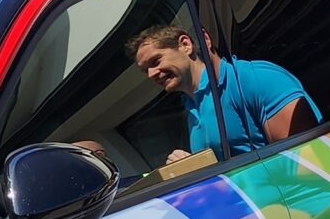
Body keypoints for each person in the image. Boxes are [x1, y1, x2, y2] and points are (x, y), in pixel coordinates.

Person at [132, 25, 316, 163]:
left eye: (155, 61)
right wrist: (192, 168)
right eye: (145, 70)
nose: (151, 74)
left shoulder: (255, 77)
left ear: (185, 45)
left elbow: (303, 162)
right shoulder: (191, 111)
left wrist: (204, 171)